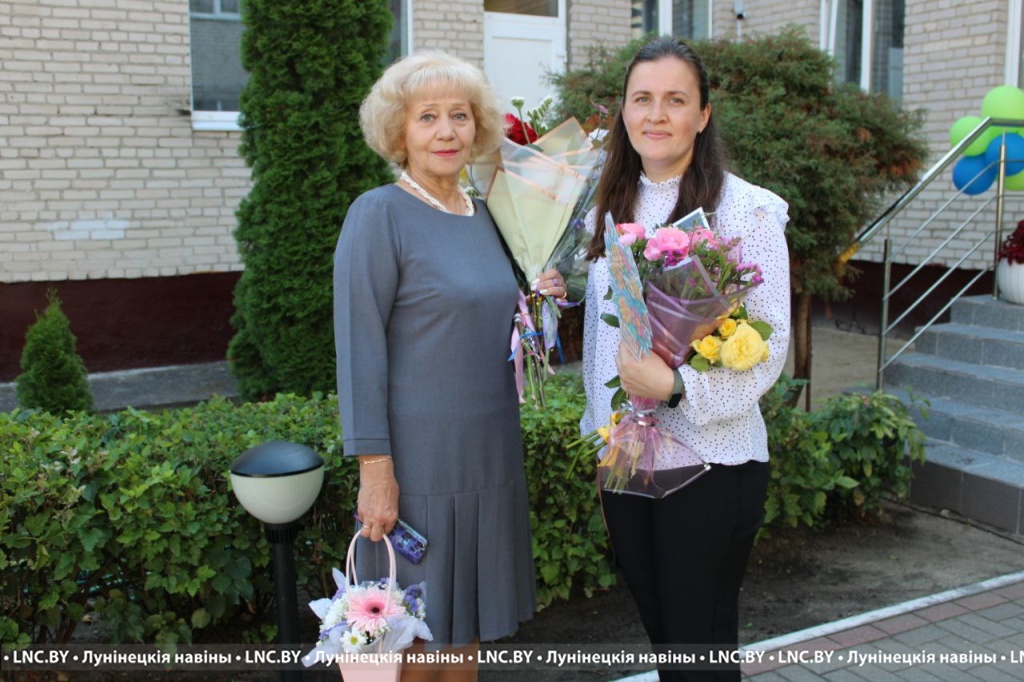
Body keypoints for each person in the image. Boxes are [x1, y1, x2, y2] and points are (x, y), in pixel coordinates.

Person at [334, 51, 565, 681]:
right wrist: (375, 471)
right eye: (427, 116)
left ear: (478, 126)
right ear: (399, 131)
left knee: (467, 633)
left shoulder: (489, 215)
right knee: (414, 636)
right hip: (420, 466)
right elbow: (359, 349)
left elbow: (502, 329)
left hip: (490, 451)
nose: (446, 131)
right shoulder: (378, 214)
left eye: (459, 116)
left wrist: (539, 298)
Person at [579, 38, 791, 681]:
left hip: (711, 462)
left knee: (697, 648)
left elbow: (769, 347)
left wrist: (674, 385)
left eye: (675, 100)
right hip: (628, 454)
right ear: (623, 111)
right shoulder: (607, 203)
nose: (656, 115)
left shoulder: (747, 210)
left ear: (703, 114)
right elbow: (605, 328)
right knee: (667, 638)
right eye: (641, 99)